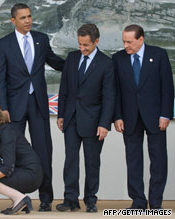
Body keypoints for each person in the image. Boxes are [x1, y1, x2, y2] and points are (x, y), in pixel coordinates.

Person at [0, 3, 65, 211]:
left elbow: (55, 62)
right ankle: (18, 198)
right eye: (23, 18)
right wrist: (4, 107)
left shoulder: (41, 40)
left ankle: (46, 199)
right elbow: (0, 79)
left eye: (29, 16)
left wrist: (80, 61)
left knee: (44, 152)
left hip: (38, 105)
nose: (28, 21)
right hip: (13, 108)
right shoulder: (3, 45)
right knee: (13, 155)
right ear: (13, 21)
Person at [113, 24, 174, 210]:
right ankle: (138, 201)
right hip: (129, 118)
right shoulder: (118, 58)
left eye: (129, 42)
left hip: (156, 117)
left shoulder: (159, 55)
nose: (126, 45)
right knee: (133, 161)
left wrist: (166, 114)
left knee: (158, 161)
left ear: (141, 39)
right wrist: (117, 116)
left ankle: (155, 202)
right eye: (123, 41)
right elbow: (115, 91)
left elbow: (167, 88)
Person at [57, 24, 115, 213]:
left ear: (96, 41)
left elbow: (109, 97)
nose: (82, 48)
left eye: (86, 45)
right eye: (80, 44)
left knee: (92, 162)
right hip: (71, 119)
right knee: (70, 161)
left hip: (94, 122)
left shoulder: (106, 63)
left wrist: (104, 123)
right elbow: (64, 88)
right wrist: (61, 114)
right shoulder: (72, 58)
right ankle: (70, 199)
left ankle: (91, 200)